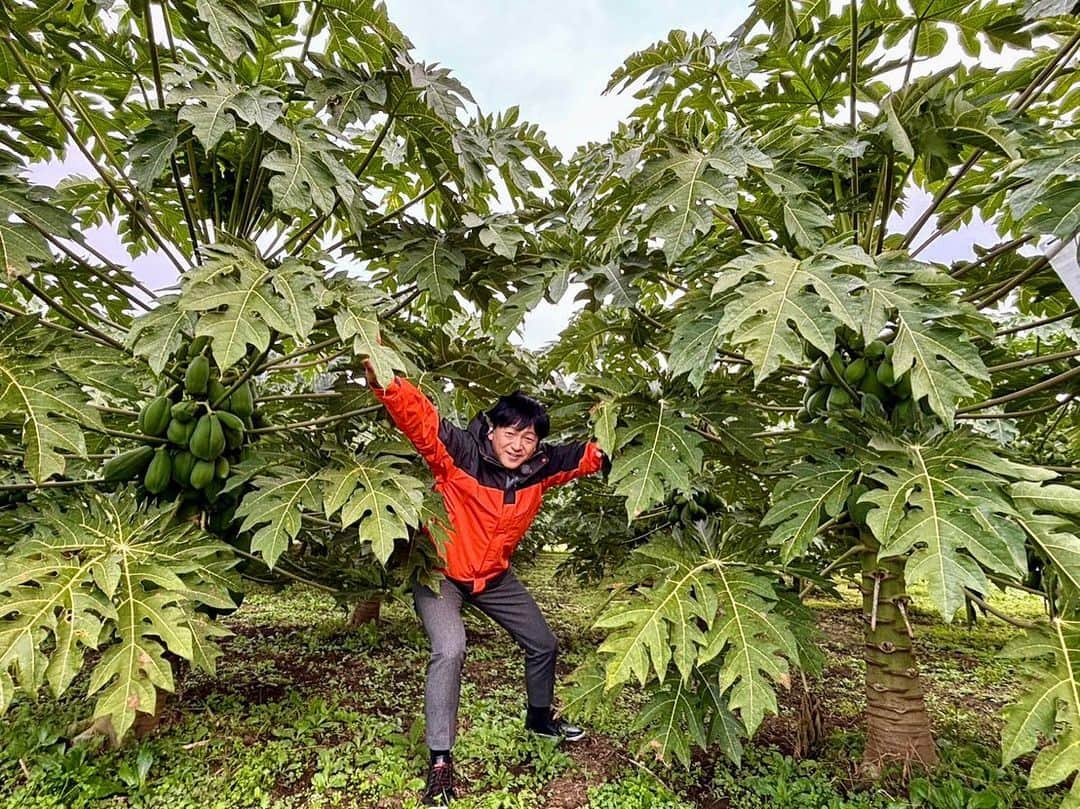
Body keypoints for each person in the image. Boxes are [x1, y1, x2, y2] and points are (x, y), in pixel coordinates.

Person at [364, 361, 606, 806]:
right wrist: (384, 376)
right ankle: (440, 759)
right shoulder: (461, 453)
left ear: (537, 444)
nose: (518, 445)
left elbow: (591, 455)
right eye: (510, 433)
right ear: (491, 431)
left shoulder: (540, 467)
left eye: (529, 437)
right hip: (440, 573)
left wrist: (623, 426)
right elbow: (420, 419)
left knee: (544, 643)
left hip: (493, 577)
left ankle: (539, 720)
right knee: (450, 648)